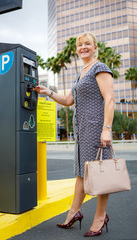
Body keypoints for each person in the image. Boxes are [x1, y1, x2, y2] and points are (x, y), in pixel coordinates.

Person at [32, 32, 114, 237]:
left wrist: (107, 128)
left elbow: (110, 99)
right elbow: (69, 100)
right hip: (82, 130)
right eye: (80, 45)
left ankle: (100, 217)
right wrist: (48, 91)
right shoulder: (81, 73)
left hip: (96, 129)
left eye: (88, 44)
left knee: (100, 173)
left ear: (95, 48)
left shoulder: (100, 68)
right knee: (81, 172)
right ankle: (73, 213)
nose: (83, 47)